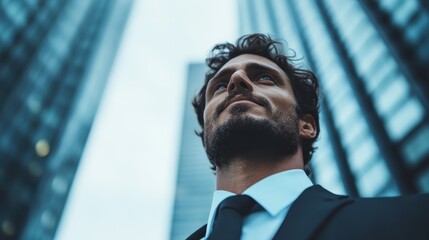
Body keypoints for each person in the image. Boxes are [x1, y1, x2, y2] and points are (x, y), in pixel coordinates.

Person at [186, 33, 429, 240]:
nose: (237, 81)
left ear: (307, 126)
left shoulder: (417, 220)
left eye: (265, 78)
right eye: (219, 86)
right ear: (206, 131)